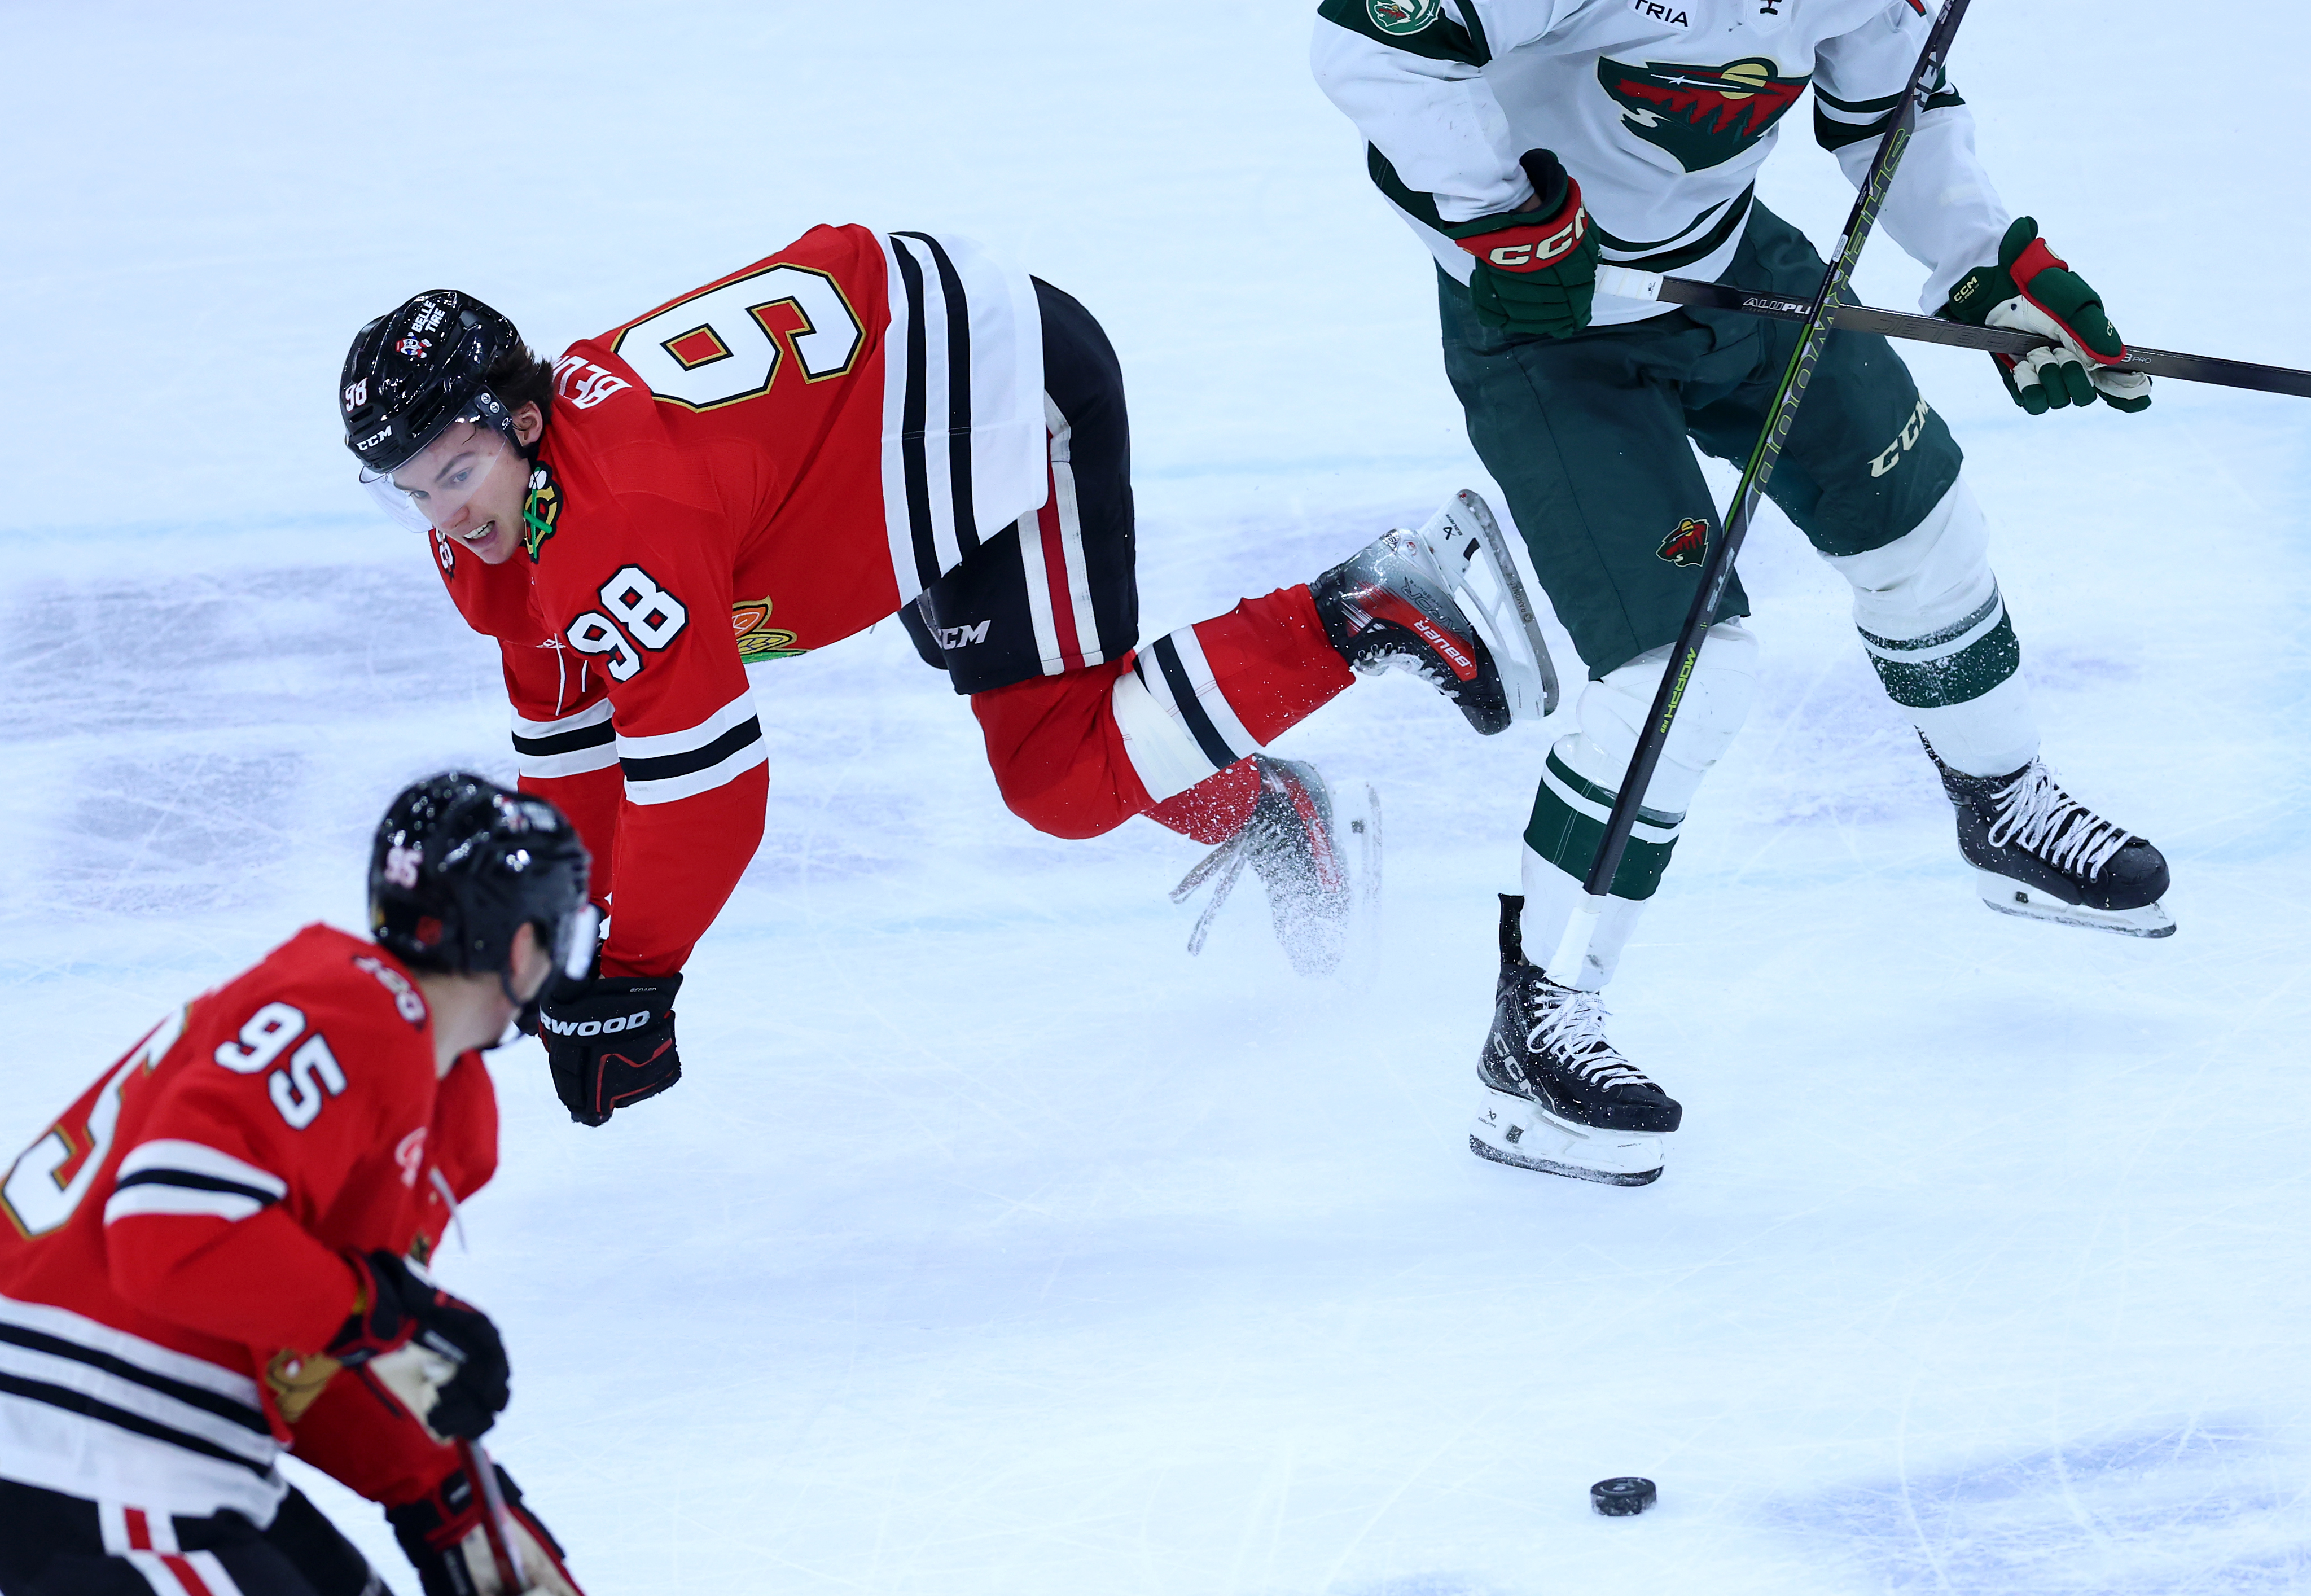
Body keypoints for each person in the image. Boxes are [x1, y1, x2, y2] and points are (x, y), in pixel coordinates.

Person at [338, 226, 1559, 1127]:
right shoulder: (510, 526)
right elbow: (573, 747)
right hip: (882, 429)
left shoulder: (612, 529)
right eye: (412, 491)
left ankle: (1372, 607)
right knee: (1062, 730)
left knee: (1064, 769)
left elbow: (707, 793)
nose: (446, 516)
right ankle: (1285, 812)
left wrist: (640, 971)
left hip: (994, 397)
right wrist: (557, 948)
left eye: (456, 473)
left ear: (526, 426)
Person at [1310, 0, 2172, 1185]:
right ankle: (1541, 1008)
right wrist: (1499, 215)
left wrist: (1985, 262)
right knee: (1681, 676)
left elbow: (1893, 113)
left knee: (1920, 523)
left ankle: (2003, 804)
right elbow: (1375, 42)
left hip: (1730, 272)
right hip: (1547, 321)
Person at [0, 774, 598, 1596]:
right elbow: (170, 1232)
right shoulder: (362, 1013)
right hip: (90, 1441)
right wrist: (391, 1312)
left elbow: (291, 1327)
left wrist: (442, 1494)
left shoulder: (433, 1084)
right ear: (522, 947)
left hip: (160, 1444)